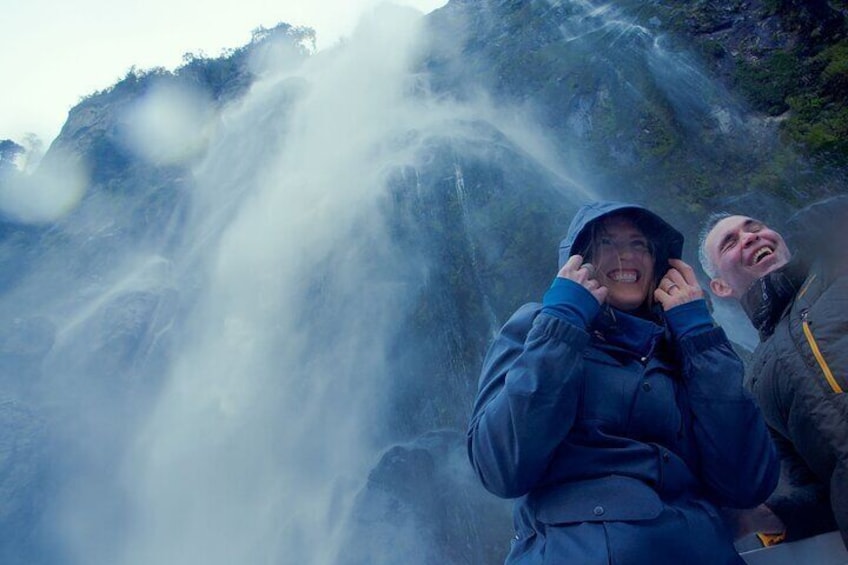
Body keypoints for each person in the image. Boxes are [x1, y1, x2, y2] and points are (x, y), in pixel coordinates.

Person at [467, 201, 779, 564]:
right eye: (607, 244)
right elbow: (500, 467)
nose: (626, 256)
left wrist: (697, 334)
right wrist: (562, 321)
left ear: (659, 263)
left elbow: (747, 483)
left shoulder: (685, 344)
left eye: (639, 245)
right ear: (579, 261)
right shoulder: (537, 324)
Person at [699, 194, 848, 548]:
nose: (749, 237)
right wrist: (764, 516)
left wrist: (805, 229)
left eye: (756, 227)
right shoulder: (756, 384)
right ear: (719, 288)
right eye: (730, 242)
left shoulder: (838, 268)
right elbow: (814, 490)